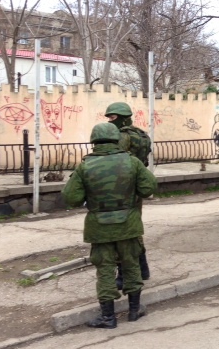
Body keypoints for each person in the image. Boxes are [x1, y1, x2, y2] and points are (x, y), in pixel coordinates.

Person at [62, 122, 157, 328]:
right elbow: (148, 187)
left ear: (93, 141)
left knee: (104, 270)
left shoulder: (85, 165)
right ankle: (134, 310)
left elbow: (71, 198)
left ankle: (108, 317)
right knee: (131, 265)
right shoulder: (132, 162)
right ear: (116, 139)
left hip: (99, 227)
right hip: (128, 225)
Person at [104, 102, 153, 288]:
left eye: (112, 117)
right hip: (136, 187)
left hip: (121, 189)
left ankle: (125, 274)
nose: (109, 120)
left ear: (123, 117)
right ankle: (143, 268)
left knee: (122, 232)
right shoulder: (141, 134)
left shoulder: (121, 137)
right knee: (134, 227)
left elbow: (113, 162)